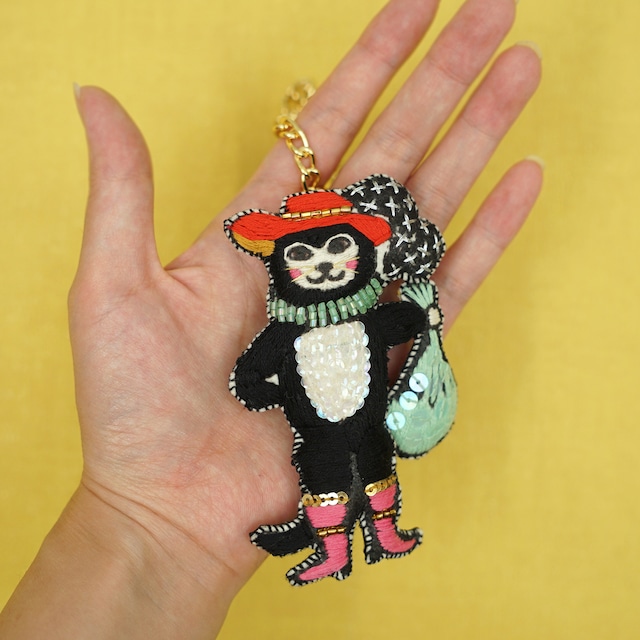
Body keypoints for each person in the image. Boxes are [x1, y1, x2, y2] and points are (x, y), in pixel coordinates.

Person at [0, 0, 542, 636]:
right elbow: (255, 369)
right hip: (316, 433)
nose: (322, 265)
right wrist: (258, 393)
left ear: (363, 256)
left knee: (375, 466)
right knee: (324, 481)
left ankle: (384, 529)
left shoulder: (366, 316)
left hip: (365, 420)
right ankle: (332, 547)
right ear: (282, 266)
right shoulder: (284, 331)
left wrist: (420, 318)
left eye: (337, 249)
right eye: (304, 256)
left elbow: (395, 326)